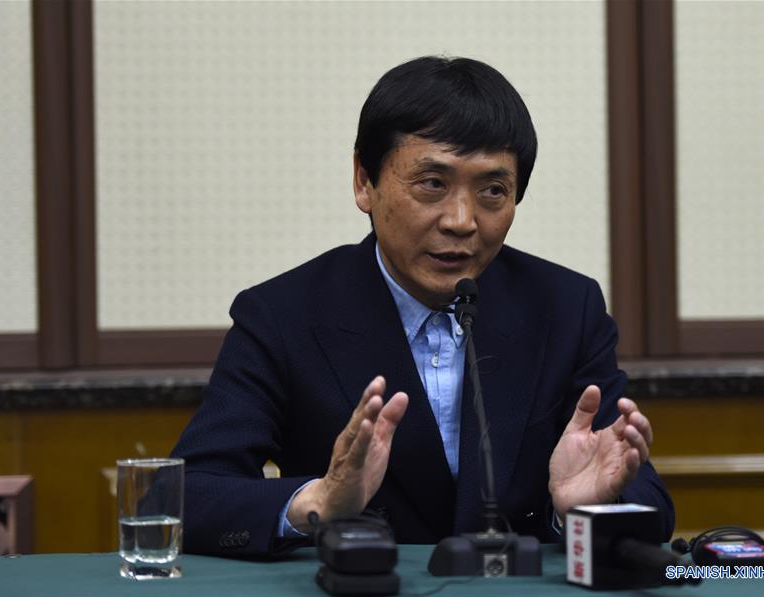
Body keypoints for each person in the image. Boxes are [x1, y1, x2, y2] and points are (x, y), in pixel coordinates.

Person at [171, 56, 674, 558]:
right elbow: (183, 496)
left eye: (492, 191)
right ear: (364, 181)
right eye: (432, 184)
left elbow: (641, 497)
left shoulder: (566, 308)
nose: (461, 221)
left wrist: (579, 513)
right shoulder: (283, 314)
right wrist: (317, 501)